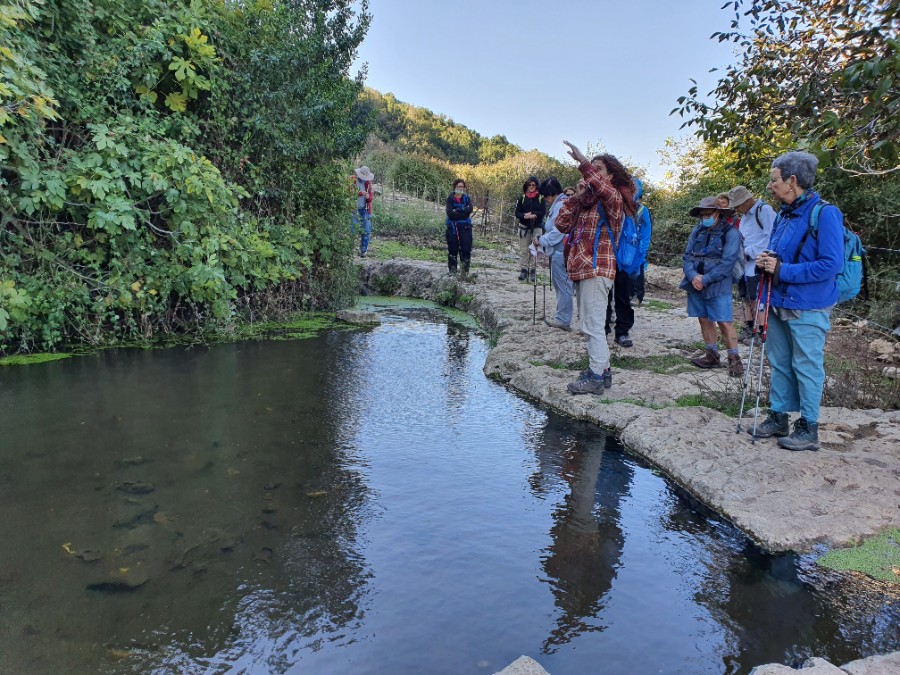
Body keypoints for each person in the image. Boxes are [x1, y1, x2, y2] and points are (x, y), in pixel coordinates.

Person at [751, 151, 843, 451]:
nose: (770, 186)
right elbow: (777, 253)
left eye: (774, 180)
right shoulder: (784, 214)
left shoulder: (825, 213)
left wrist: (782, 269)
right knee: (779, 362)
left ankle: (809, 427)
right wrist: (766, 260)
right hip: (779, 300)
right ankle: (779, 417)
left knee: (807, 365)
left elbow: (831, 264)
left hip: (808, 305)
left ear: (792, 181)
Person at [554, 142, 634, 394]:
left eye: (600, 169)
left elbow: (605, 191)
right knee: (591, 322)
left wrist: (583, 162)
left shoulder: (614, 199)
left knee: (592, 325)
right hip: (581, 268)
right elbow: (561, 224)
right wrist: (577, 198)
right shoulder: (586, 202)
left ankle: (596, 377)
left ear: (610, 176)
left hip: (598, 268)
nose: (593, 174)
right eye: (593, 169)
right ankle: (603, 370)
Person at [680, 196, 744, 377]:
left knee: (724, 320)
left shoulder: (731, 233)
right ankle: (711, 355)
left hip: (718, 284)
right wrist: (693, 276)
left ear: (718, 213)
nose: (705, 217)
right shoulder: (697, 231)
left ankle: (734, 359)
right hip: (696, 282)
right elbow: (687, 256)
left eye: (708, 214)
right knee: (703, 318)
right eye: (703, 214)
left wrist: (705, 279)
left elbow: (728, 262)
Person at [604, 177, 653, 346]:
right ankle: (603, 328)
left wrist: (639, 259)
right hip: (609, 258)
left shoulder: (641, 211)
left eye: (633, 189)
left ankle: (622, 331)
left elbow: (645, 237)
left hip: (629, 261)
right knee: (604, 295)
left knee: (623, 297)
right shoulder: (612, 206)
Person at [728, 185, 776, 343]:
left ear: (748, 200)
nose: (737, 209)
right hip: (744, 264)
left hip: (758, 263)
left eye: (738, 205)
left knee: (758, 299)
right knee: (746, 298)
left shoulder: (764, 211)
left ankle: (761, 332)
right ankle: (749, 328)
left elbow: (770, 237)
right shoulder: (745, 216)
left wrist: (748, 251)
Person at [535, 177, 573, 330]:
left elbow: (558, 231)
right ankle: (561, 315)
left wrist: (541, 241)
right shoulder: (560, 205)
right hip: (558, 251)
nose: (545, 200)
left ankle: (563, 319)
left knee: (563, 285)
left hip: (561, 251)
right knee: (561, 285)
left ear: (551, 194)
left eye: (545, 196)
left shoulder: (561, 206)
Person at [515, 176, 546, 281]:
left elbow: (543, 212)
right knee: (523, 249)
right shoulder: (522, 198)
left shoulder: (541, 198)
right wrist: (525, 215)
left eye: (533, 185)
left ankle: (533, 271)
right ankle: (523, 270)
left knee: (535, 250)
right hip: (523, 228)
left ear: (537, 186)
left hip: (536, 227)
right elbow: (517, 213)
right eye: (529, 184)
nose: (531, 186)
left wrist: (533, 215)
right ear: (526, 186)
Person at [445, 178, 474, 277]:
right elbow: (449, 213)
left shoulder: (467, 198)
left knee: (466, 249)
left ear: (464, 188)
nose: (460, 188)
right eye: (458, 186)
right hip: (452, 228)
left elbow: (469, 209)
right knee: (453, 249)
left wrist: (456, 210)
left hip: (465, 228)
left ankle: (464, 272)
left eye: (462, 186)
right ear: (455, 187)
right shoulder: (450, 198)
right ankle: (452, 271)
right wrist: (463, 211)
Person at [352, 166, 374, 257]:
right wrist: (359, 193)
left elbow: (371, 198)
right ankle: (349, 250)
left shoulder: (368, 184)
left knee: (366, 230)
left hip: (364, 209)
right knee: (352, 230)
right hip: (353, 209)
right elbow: (347, 193)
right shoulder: (352, 181)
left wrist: (368, 197)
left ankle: (363, 251)